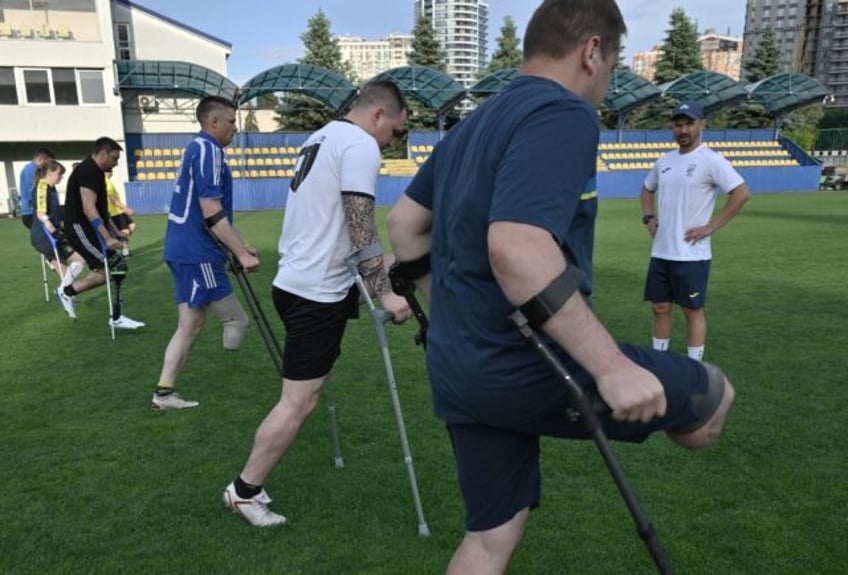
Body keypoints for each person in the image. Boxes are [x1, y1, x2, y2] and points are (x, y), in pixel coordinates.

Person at [385, 1, 736, 573]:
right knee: (715, 396)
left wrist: (455, 311)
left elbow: (403, 225)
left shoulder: (472, 123)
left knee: (490, 537)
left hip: (458, 365)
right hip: (522, 364)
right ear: (592, 51)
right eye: (615, 64)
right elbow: (516, 247)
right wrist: (613, 368)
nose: (608, 82)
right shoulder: (562, 112)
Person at [222, 80, 412, 527]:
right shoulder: (361, 146)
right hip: (315, 293)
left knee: (302, 395)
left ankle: (246, 489)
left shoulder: (321, 136)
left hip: (298, 281)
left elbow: (346, 231)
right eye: (396, 132)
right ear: (379, 115)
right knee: (298, 401)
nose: (393, 141)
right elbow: (360, 225)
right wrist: (385, 293)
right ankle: (244, 491)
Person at [150, 95, 258, 411]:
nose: (235, 129)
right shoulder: (208, 149)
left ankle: (164, 393)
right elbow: (210, 209)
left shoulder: (198, 149)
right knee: (236, 322)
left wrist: (240, 243)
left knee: (190, 324)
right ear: (213, 122)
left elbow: (212, 211)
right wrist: (241, 253)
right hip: (198, 253)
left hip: (184, 248)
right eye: (231, 122)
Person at [641, 100, 751, 361]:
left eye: (689, 123)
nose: (683, 130)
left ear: (702, 124)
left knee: (692, 310)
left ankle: (694, 366)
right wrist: (648, 217)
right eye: (678, 124)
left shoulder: (711, 160)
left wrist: (712, 226)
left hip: (692, 255)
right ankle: (661, 361)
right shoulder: (664, 161)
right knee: (659, 308)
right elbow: (647, 188)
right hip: (662, 251)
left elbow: (741, 192)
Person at [60, 137, 144, 329]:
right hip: (79, 228)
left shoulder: (98, 173)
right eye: (114, 158)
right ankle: (68, 292)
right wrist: (107, 239)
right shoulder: (88, 171)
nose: (116, 162)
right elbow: (89, 209)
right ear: (103, 153)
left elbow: (103, 211)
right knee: (108, 270)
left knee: (119, 267)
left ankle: (117, 317)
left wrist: (116, 234)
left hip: (89, 228)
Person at [30, 160, 87, 300]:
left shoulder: (52, 188)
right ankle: (65, 293)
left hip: (52, 234)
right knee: (72, 267)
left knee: (79, 261)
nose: (61, 178)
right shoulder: (43, 185)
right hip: (44, 236)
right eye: (59, 174)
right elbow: (41, 213)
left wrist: (62, 228)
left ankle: (63, 291)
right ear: (49, 173)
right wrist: (53, 230)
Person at [19, 148, 55, 229]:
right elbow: (34, 192)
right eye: (48, 162)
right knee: (46, 238)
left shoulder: (32, 169)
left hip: (33, 212)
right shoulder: (31, 170)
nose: (49, 165)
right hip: (32, 212)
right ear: (40, 159)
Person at [105, 169, 136, 256]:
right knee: (125, 231)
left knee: (132, 226)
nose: (111, 171)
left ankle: (119, 240)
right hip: (113, 212)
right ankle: (125, 251)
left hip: (118, 211)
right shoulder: (106, 182)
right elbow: (113, 199)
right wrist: (126, 209)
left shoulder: (108, 181)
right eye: (109, 170)